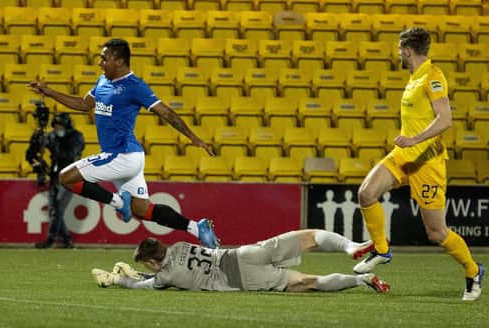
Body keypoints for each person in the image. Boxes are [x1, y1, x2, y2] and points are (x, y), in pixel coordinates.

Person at [28, 38, 220, 248]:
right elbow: (83, 104)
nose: (100, 63)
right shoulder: (102, 82)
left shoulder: (134, 86)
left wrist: (192, 137)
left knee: (66, 177)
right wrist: (50, 92)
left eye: (104, 58)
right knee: (144, 210)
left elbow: (164, 111)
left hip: (122, 155)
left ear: (119, 61)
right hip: (128, 157)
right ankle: (196, 228)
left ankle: (119, 202)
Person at [353, 27, 484, 301]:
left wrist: (415, 139)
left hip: (427, 162)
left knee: (436, 233)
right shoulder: (413, 78)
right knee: (366, 193)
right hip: (403, 157)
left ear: (408, 50)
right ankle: (382, 249)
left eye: (400, 49)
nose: (398, 53)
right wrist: (409, 143)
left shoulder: (433, 76)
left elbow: (445, 119)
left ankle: (473, 271)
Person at [91, 229, 389, 294]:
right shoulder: (180, 244)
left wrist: (119, 279)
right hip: (242, 254)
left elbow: (146, 284)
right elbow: (163, 266)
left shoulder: (165, 277)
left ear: (153, 265)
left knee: (309, 283)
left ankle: (359, 280)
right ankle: (351, 247)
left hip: (243, 282)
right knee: (310, 236)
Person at [26, 112, 84, 249]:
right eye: (56, 126)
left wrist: (55, 144)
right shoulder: (51, 136)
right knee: (54, 209)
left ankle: (51, 238)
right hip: (55, 176)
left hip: (70, 176)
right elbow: (33, 153)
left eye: (60, 126)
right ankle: (66, 239)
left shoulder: (76, 137)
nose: (58, 129)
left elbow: (69, 155)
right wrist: (36, 140)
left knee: (58, 207)